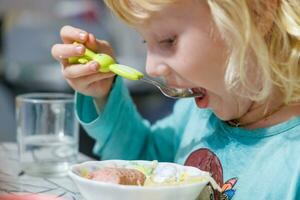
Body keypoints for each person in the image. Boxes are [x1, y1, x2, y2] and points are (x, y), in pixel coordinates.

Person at [51, 0, 300, 199]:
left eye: (168, 41)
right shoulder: (194, 115)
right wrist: (103, 93)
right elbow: (140, 161)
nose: (151, 67)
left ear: (258, 12)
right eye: (145, 42)